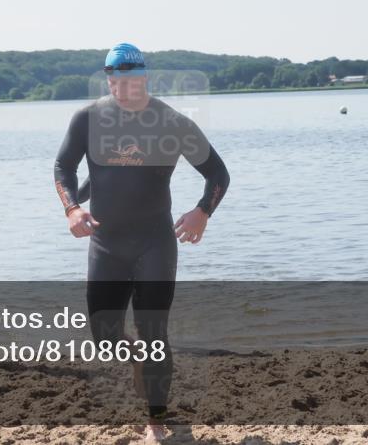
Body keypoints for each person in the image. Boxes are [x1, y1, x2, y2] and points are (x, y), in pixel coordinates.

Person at [54, 43, 230, 442]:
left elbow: (217, 173)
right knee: (104, 334)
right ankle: (138, 361)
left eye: (131, 79)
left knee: (154, 331)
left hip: (154, 242)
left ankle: (156, 422)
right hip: (106, 244)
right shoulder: (88, 119)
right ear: (108, 79)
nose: (122, 87)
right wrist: (72, 209)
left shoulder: (171, 122)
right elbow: (64, 166)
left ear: (144, 77)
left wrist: (203, 211)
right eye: (114, 79)